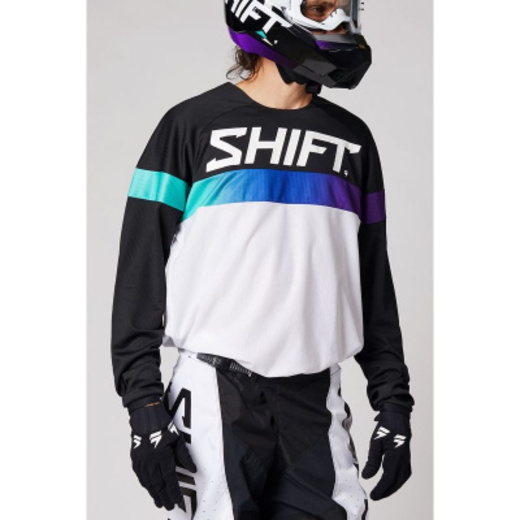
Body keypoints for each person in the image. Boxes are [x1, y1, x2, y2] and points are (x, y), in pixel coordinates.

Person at [111, 1, 415, 518]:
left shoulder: (352, 140)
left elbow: (370, 284)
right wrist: (143, 404)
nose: (339, 23)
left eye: (345, 9)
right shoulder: (191, 126)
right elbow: (139, 275)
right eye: (320, 8)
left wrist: (393, 402)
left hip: (314, 400)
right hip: (215, 395)